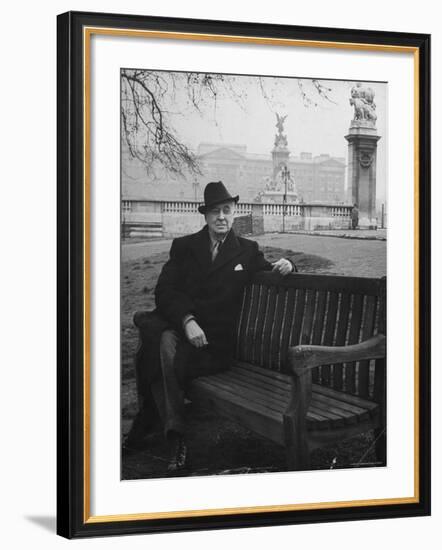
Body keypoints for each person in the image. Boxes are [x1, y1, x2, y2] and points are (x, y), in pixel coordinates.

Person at [123, 181, 295, 471]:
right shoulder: (184, 247)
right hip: (184, 333)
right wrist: (188, 321)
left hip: (215, 348)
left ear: (234, 212)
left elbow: (272, 270)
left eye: (226, 210)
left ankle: (152, 423)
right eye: (215, 211)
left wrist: (289, 265)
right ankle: (176, 435)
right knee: (164, 342)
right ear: (205, 216)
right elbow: (165, 290)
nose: (221, 217)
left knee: (159, 350)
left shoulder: (247, 251)